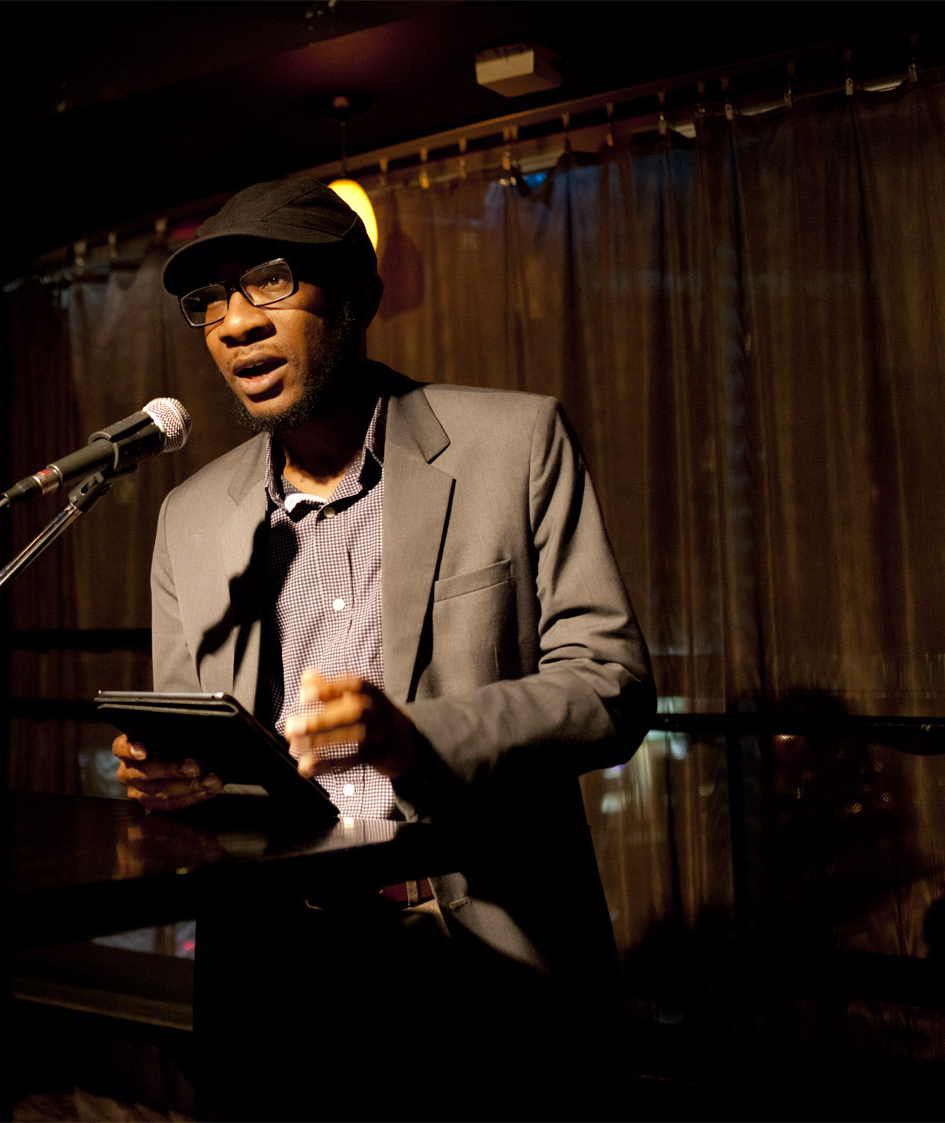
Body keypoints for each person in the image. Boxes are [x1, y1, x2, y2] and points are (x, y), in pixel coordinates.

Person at [110, 179, 655, 1120]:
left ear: (357, 299)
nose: (235, 322)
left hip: (474, 963)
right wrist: (177, 776)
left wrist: (415, 737)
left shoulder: (514, 441)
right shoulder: (188, 516)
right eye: (210, 300)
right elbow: (202, 747)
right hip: (273, 974)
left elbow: (609, 683)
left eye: (269, 282)